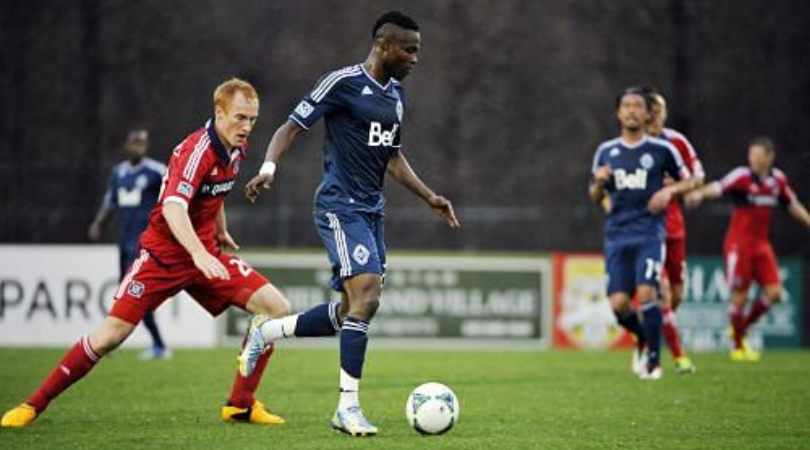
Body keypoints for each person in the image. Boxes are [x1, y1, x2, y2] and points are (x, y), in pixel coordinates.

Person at [2, 78, 291, 428]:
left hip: (204, 253)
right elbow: (173, 207)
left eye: (252, 120)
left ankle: (240, 405)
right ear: (219, 112)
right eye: (240, 117)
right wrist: (199, 253)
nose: (246, 127)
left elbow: (215, 191)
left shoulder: (235, 147)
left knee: (276, 308)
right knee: (112, 335)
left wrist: (219, 228)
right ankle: (33, 405)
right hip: (163, 257)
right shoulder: (195, 151)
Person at [241, 11, 460, 436]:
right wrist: (268, 168)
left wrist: (429, 195)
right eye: (409, 49)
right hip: (340, 206)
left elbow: (392, 157)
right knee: (368, 297)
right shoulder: (342, 83)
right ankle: (347, 408)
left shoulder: (396, 95)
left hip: (372, 211)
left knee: (349, 311)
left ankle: (267, 333)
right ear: (383, 44)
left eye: (418, 50)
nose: (416, 58)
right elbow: (291, 126)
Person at [589, 87, 693, 380]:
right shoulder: (606, 151)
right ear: (618, 113)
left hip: (649, 232)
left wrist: (669, 191)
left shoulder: (662, 150)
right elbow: (594, 194)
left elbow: (691, 181)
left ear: (647, 114)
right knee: (619, 304)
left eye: (637, 106)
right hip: (617, 235)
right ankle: (645, 338)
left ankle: (654, 363)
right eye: (626, 106)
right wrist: (599, 185)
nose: (632, 111)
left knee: (649, 293)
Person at [685, 137, 810, 362]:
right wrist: (700, 193)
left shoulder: (777, 180)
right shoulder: (741, 176)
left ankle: (740, 327)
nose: (754, 159)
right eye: (751, 155)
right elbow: (718, 187)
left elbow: (792, 205)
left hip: (762, 246)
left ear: (769, 157)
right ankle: (738, 347)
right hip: (738, 245)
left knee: (775, 293)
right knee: (740, 297)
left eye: (759, 155)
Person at [88, 129, 171, 359]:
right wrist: (98, 223)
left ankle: (152, 345)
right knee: (128, 295)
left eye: (142, 144)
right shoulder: (118, 173)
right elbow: (110, 201)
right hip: (124, 241)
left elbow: (174, 195)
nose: (139, 148)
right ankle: (154, 345)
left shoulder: (156, 172)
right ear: (127, 146)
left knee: (132, 294)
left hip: (144, 245)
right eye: (135, 143)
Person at [641, 87, 702, 374]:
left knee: (677, 295)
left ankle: (647, 336)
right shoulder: (633, 147)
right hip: (647, 228)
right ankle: (678, 357)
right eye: (653, 110)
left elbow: (696, 175)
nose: (657, 116)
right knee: (661, 291)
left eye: (661, 109)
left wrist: (687, 190)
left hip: (675, 226)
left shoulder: (676, 142)